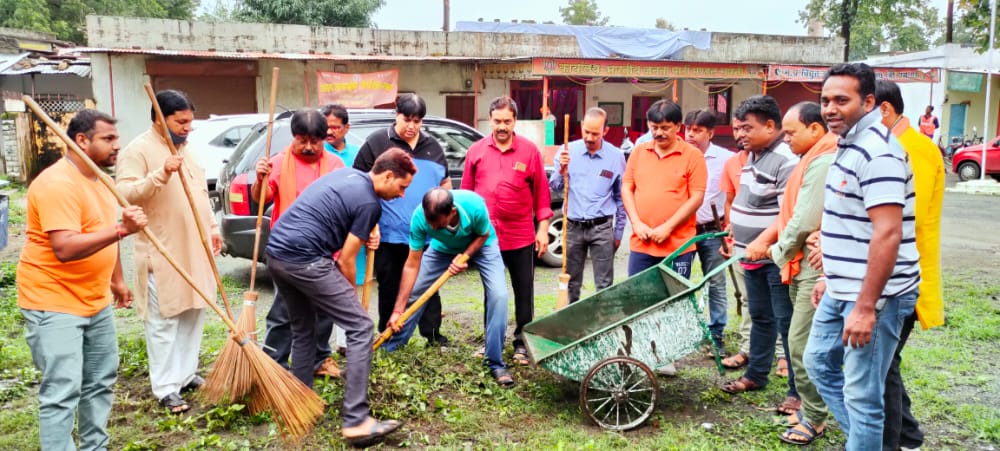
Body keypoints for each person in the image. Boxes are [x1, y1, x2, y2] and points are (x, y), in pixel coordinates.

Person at [803, 63, 920, 451]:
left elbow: (888, 234)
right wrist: (830, 276)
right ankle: (865, 440)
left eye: (842, 100)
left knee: (863, 397)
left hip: (875, 296)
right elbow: (851, 222)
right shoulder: (848, 143)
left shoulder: (878, 153)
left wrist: (866, 307)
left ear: (868, 102)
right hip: (842, 286)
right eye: (825, 100)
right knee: (818, 362)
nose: (830, 109)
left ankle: (867, 439)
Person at [18, 110, 147, 450]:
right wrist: (122, 229)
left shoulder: (100, 180)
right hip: (53, 301)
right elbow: (64, 247)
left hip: (94, 301)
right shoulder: (57, 184)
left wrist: (117, 280)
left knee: (100, 381)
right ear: (81, 140)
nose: (117, 146)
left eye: (116, 139)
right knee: (63, 389)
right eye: (108, 139)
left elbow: (103, 233)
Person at [265, 149, 413, 446]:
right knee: (360, 326)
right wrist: (352, 302)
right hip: (305, 259)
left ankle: (300, 403)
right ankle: (357, 420)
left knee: (304, 329)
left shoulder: (348, 176)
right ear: (387, 176)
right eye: (402, 186)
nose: (402, 194)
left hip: (276, 254)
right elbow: (346, 261)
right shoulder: (369, 202)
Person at [117, 89, 216, 414]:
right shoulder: (138, 150)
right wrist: (162, 172)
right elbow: (125, 193)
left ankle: (185, 375)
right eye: (181, 122)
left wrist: (213, 227)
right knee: (165, 321)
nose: (188, 127)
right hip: (162, 251)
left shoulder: (189, 149)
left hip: (196, 249)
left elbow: (201, 193)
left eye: (190, 121)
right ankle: (165, 388)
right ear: (160, 119)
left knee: (193, 312)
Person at [383, 188, 514, 388]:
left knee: (499, 296)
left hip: (483, 246)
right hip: (442, 249)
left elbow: (484, 234)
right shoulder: (419, 217)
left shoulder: (474, 205)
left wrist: (465, 256)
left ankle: (495, 363)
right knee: (415, 291)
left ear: (452, 212)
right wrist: (397, 310)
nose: (432, 227)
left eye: (437, 223)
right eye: (430, 222)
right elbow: (411, 264)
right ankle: (392, 349)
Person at [875, 80, 945, 451]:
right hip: (895, 272)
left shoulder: (911, 149)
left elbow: (902, 221)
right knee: (886, 361)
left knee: (882, 362)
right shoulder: (896, 146)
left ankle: (896, 440)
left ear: (883, 109)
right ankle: (908, 434)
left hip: (900, 275)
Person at [720, 96, 799, 419]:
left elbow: (788, 214)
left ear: (769, 125)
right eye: (737, 128)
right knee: (761, 317)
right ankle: (756, 374)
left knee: (787, 324)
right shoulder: (754, 155)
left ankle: (797, 393)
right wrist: (734, 230)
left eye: (746, 128)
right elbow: (749, 201)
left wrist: (762, 242)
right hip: (749, 254)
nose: (740, 134)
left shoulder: (785, 159)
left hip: (773, 258)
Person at [765, 102, 838, 445]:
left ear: (815, 129)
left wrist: (776, 251)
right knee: (800, 341)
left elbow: (806, 218)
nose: (786, 139)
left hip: (813, 264)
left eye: (791, 132)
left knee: (800, 344)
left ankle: (815, 417)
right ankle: (813, 409)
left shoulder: (822, 161)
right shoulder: (810, 158)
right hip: (802, 260)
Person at [353, 93, 452, 347]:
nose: (411, 126)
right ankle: (390, 335)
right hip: (388, 233)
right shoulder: (377, 142)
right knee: (390, 286)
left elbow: (445, 183)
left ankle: (432, 334)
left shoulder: (433, 146)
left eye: (417, 121)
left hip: (426, 233)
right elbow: (359, 182)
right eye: (407, 119)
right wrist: (369, 224)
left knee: (428, 285)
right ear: (396, 115)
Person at [253, 109, 346, 378]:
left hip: (325, 248)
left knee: (323, 308)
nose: (308, 147)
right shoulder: (278, 163)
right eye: (301, 140)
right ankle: (275, 363)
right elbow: (261, 199)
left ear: (324, 139)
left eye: (314, 141)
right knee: (283, 310)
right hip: (288, 251)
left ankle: (319, 359)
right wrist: (260, 179)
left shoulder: (335, 165)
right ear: (293, 137)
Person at [461, 96, 552, 364]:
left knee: (524, 292)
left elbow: (542, 196)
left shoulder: (530, 152)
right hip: (487, 238)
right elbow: (465, 196)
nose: (502, 126)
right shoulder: (476, 151)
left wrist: (543, 229)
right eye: (497, 121)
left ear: (515, 121)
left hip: (521, 236)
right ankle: (492, 341)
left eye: (507, 121)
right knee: (493, 291)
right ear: (490, 120)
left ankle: (522, 343)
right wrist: (465, 234)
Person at [548, 107, 626, 304]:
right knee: (571, 283)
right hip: (573, 227)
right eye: (586, 132)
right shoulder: (567, 151)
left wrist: (618, 232)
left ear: (605, 131)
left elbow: (621, 197)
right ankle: (572, 321)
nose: (590, 138)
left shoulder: (615, 156)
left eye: (595, 133)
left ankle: (601, 321)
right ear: (582, 126)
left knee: (604, 284)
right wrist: (561, 169)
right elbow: (555, 186)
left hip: (602, 228)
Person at [623, 99, 706, 278]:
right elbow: (626, 187)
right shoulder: (639, 152)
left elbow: (697, 198)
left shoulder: (693, 156)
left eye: (665, 128)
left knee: (674, 294)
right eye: (654, 128)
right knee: (638, 293)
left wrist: (668, 227)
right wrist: (636, 223)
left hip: (678, 245)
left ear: (678, 126)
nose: (659, 133)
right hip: (642, 241)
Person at [682, 108, 733, 351]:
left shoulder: (726, 159)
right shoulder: (679, 155)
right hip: (683, 230)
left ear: (710, 133)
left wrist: (730, 227)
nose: (690, 135)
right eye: (688, 129)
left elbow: (734, 194)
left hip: (712, 230)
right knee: (679, 282)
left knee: (716, 282)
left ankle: (716, 335)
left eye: (697, 130)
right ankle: (681, 334)